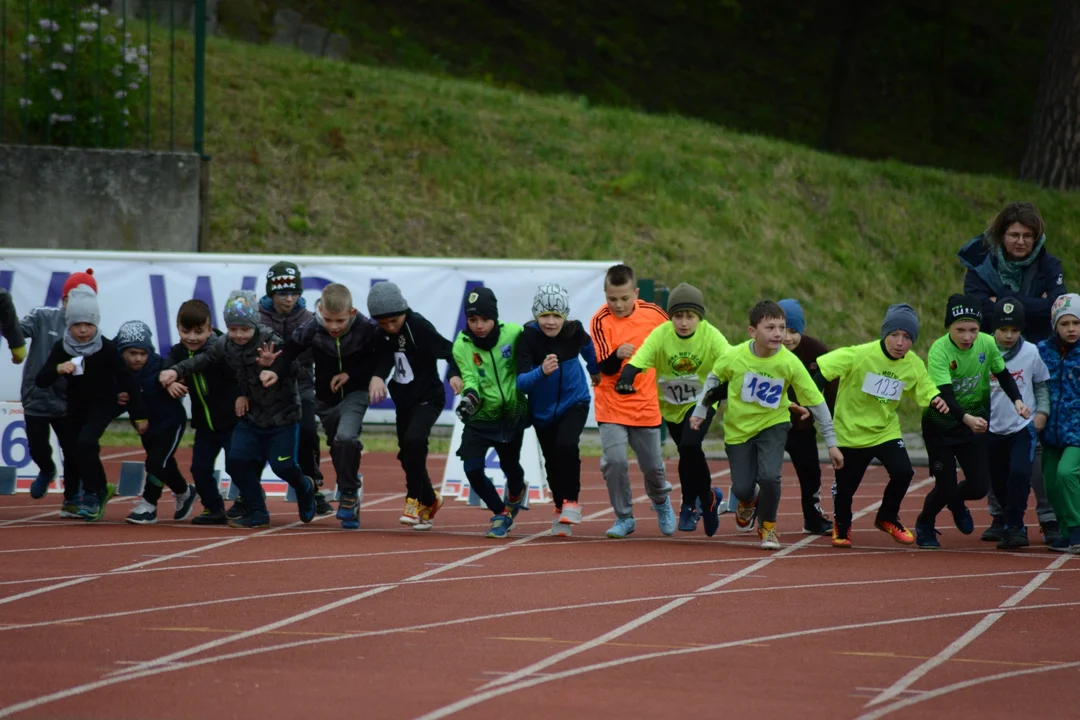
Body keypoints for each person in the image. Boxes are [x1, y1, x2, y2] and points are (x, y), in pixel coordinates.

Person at [691, 300, 843, 551]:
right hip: (738, 430)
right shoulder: (734, 356)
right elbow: (714, 378)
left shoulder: (789, 362)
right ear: (753, 331)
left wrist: (832, 443)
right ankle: (748, 501)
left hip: (774, 424)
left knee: (771, 477)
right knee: (742, 487)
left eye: (782, 328)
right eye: (770, 328)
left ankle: (768, 526)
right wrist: (700, 410)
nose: (778, 334)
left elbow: (817, 402)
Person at [160, 290, 316, 529]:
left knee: (282, 466)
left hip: (282, 416)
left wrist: (273, 365)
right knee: (235, 462)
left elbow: (297, 370)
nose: (239, 335)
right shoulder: (224, 343)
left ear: (255, 324)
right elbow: (203, 360)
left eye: (245, 329)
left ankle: (304, 487)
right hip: (250, 416)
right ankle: (257, 511)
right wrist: (176, 371)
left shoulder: (270, 339)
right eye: (233, 329)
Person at [815, 304, 943, 548]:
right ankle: (842, 525)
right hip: (850, 431)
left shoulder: (913, 364)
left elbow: (925, 389)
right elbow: (823, 369)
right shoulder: (860, 354)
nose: (900, 342)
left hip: (885, 430)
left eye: (907, 337)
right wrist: (810, 402)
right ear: (885, 334)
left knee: (904, 471)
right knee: (845, 488)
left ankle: (886, 516)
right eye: (894, 334)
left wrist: (936, 399)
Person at [266, 283, 389, 530]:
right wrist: (274, 370)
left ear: (352, 313)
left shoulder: (366, 328)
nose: (334, 326)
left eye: (340, 321)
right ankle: (347, 487)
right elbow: (290, 350)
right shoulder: (313, 326)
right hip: (325, 397)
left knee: (346, 438)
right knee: (336, 444)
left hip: (356, 392)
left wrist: (358, 376)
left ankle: (349, 492)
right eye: (329, 319)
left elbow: (384, 354)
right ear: (320, 310)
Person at [915, 294, 1029, 549]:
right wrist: (967, 419)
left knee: (979, 487)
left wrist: (1017, 401)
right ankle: (924, 522)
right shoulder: (939, 350)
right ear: (949, 328)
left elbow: (1003, 374)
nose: (967, 337)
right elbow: (945, 394)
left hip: (973, 423)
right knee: (944, 487)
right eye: (960, 330)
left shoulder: (987, 344)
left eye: (973, 330)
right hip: (941, 424)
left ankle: (956, 500)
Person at [617, 283, 729, 536]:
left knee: (690, 446)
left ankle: (689, 504)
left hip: (702, 401)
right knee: (686, 451)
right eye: (678, 316)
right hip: (671, 406)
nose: (684, 322)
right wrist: (626, 378)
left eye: (690, 316)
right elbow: (639, 359)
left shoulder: (710, 335)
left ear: (699, 317)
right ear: (671, 317)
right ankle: (709, 497)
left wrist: (721, 391)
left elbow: (732, 360)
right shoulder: (661, 334)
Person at [36, 285, 147, 521]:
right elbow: (41, 380)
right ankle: (94, 490)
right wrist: (58, 368)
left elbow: (128, 381)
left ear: (96, 323)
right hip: (75, 406)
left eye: (88, 324)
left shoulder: (106, 348)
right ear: (68, 324)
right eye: (77, 325)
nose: (83, 330)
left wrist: (139, 416)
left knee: (86, 442)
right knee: (75, 449)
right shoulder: (62, 348)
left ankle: (94, 494)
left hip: (103, 403)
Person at [368, 281, 462, 531]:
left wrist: (453, 374)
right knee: (407, 452)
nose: (389, 327)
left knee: (414, 442)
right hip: (404, 401)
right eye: (383, 323)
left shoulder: (418, 327)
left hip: (429, 398)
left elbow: (451, 351)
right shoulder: (383, 332)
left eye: (394, 321)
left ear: (404, 311)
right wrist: (378, 375)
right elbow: (385, 356)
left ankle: (413, 499)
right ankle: (430, 501)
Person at [590, 264, 674, 539]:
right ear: (605, 295)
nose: (618, 304)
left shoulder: (655, 315)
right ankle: (624, 517)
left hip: (644, 404)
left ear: (636, 293)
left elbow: (675, 340)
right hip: (611, 404)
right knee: (614, 461)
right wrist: (616, 355)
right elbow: (604, 367)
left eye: (625, 298)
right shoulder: (600, 320)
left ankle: (661, 501)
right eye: (612, 299)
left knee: (652, 465)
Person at [516, 283, 600, 537]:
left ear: (565, 316)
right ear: (535, 315)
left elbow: (588, 349)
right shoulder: (527, 338)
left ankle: (571, 502)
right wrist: (541, 371)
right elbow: (520, 382)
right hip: (542, 410)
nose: (550, 322)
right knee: (551, 461)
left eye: (556, 316)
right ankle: (558, 507)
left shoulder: (574, 332)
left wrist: (595, 371)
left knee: (566, 445)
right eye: (544, 316)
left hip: (575, 401)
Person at [452, 287, 530, 538]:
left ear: (495, 317)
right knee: (472, 468)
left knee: (512, 468)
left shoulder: (514, 333)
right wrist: (469, 400)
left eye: (484, 319)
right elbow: (469, 379)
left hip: (512, 413)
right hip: (481, 416)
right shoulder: (461, 346)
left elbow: (535, 341)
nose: (479, 326)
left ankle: (516, 490)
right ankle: (501, 513)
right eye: (473, 320)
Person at [259, 261, 332, 516]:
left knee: (308, 429)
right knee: (252, 432)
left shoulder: (309, 319)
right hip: (264, 385)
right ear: (271, 293)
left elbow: (323, 354)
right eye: (282, 293)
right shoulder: (256, 317)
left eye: (294, 293)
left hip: (300, 383)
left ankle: (314, 484)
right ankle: (247, 494)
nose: (289, 299)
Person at [981, 299, 1052, 550]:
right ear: (994, 329)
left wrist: (1041, 413)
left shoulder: (1031, 352)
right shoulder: (982, 350)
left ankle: (1015, 525)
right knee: (998, 480)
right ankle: (1010, 524)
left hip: (1022, 427)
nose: (1009, 336)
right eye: (1003, 330)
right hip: (990, 428)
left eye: (1014, 330)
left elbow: (1041, 384)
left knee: (1021, 473)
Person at [20, 270, 92, 513]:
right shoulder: (43, 316)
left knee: (73, 451)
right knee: (37, 447)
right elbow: (18, 331)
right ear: (63, 301)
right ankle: (47, 468)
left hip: (68, 403)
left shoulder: (91, 332)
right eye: (73, 299)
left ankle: (72, 498)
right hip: (37, 396)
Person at [163, 299, 240, 525]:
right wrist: (169, 382)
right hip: (204, 426)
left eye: (199, 331)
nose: (192, 337)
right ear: (177, 328)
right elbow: (164, 370)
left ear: (210, 328)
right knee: (199, 468)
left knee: (237, 464)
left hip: (231, 421)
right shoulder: (178, 352)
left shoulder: (221, 350)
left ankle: (250, 501)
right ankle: (213, 507)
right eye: (186, 331)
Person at [114, 321, 198, 525]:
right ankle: (185, 492)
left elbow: (176, 373)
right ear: (121, 351)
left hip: (170, 422)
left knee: (155, 463)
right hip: (145, 425)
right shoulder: (116, 370)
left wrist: (174, 381)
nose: (138, 358)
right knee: (164, 463)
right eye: (132, 353)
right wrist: (115, 396)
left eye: (143, 353)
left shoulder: (159, 365)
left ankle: (149, 505)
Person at [957, 202, 1066, 344]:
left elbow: (1057, 310)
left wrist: (1004, 297)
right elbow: (977, 310)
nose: (1021, 242)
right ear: (1002, 236)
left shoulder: (1050, 265)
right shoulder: (980, 262)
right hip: (990, 347)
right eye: (1014, 235)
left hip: (1039, 349)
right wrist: (1036, 307)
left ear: (1036, 238)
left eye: (1027, 236)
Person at [777, 298, 837, 535]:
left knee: (811, 471)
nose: (787, 338)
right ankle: (752, 507)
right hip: (769, 424)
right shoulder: (764, 350)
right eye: (783, 330)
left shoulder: (817, 352)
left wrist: (828, 419)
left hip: (802, 426)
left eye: (793, 331)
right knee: (764, 475)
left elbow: (832, 384)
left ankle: (812, 517)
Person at [1038, 294, 1080, 553]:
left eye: (1076, 323)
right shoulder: (1041, 351)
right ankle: (1065, 530)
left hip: (1077, 431)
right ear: (1055, 325)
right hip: (1051, 432)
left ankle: (1077, 528)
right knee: (1051, 483)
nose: (1071, 329)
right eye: (1065, 324)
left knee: (1067, 473)